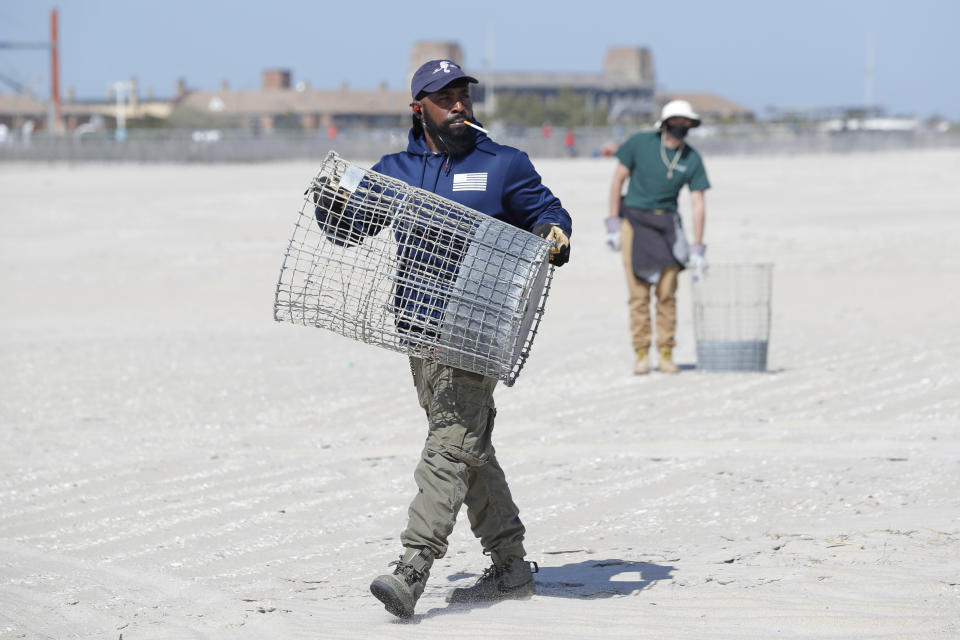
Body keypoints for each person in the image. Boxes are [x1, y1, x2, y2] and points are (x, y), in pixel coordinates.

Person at [353, 59, 572, 619]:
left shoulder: (503, 165)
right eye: (444, 97)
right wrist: (332, 201)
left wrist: (554, 232)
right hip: (418, 331)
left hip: (478, 330)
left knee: (450, 443)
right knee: (469, 446)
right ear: (418, 108)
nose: (457, 105)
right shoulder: (394, 169)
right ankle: (511, 566)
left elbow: (548, 212)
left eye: (463, 95)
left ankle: (412, 568)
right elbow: (349, 226)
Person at [606, 99, 709, 375]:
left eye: (686, 122)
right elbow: (618, 179)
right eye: (677, 121)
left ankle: (666, 351)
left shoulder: (692, 158)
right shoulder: (640, 143)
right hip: (635, 222)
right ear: (665, 123)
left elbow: (698, 201)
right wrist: (613, 224)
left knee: (667, 293)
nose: (681, 126)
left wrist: (698, 247)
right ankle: (641, 353)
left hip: (668, 225)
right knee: (638, 294)